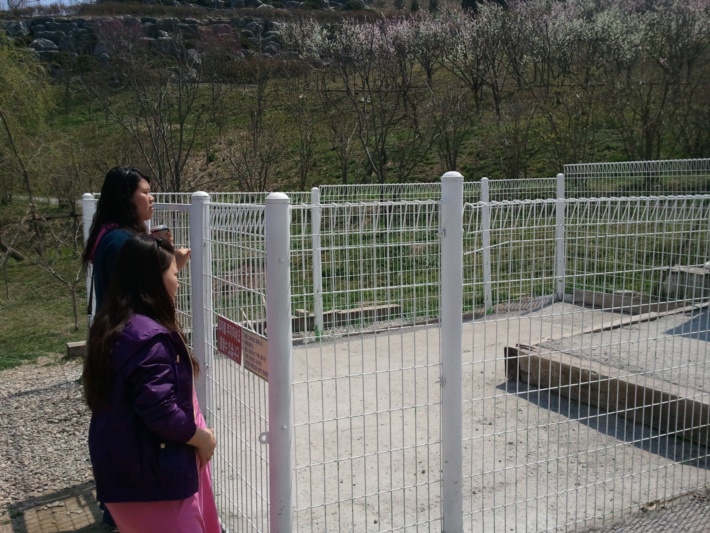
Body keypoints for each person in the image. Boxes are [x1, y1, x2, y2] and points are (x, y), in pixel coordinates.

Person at [83, 234, 220, 533]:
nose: (178, 283)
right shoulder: (149, 340)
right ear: (155, 281)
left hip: (124, 474)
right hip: (153, 483)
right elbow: (161, 412)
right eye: (174, 275)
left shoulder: (112, 325)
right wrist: (202, 439)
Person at [83, 166, 190, 313]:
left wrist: (157, 251)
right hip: (128, 324)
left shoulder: (109, 233)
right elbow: (143, 293)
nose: (151, 198)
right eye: (145, 192)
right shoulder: (122, 241)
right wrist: (173, 262)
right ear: (126, 198)